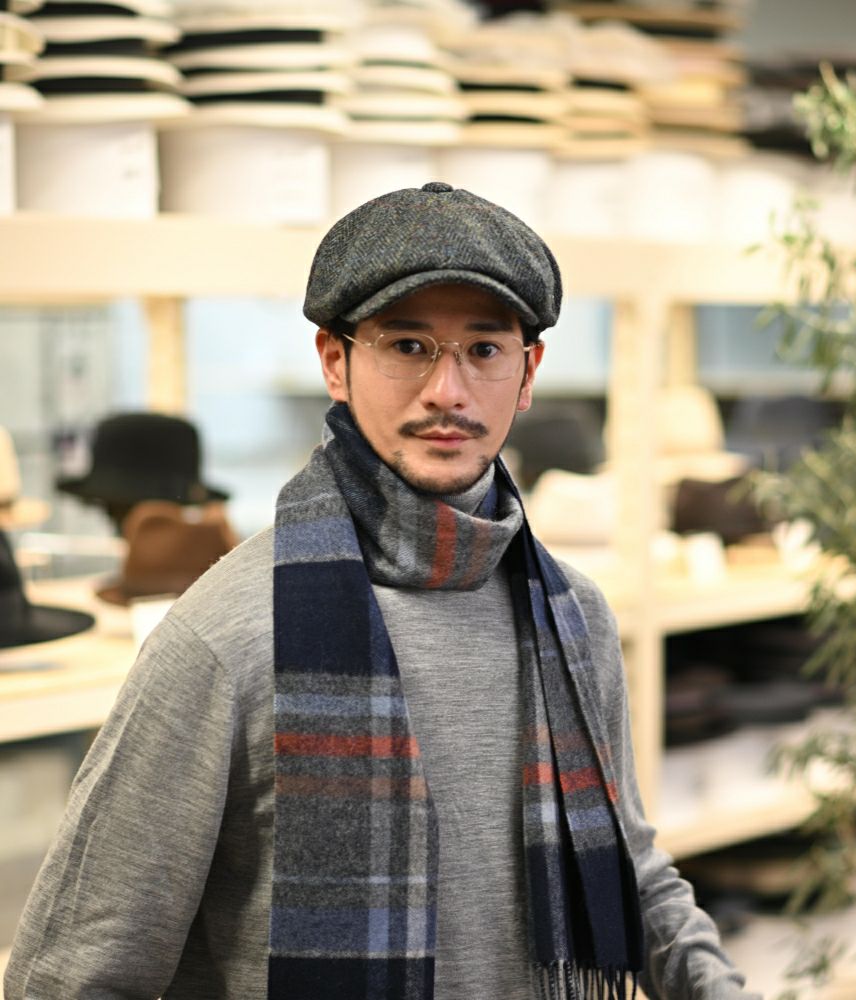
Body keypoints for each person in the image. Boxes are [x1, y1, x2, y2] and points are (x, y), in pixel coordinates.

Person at [5, 182, 760, 1000]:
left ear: (528, 372)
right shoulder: (227, 638)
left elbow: (629, 868)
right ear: (335, 361)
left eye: (484, 349)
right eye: (407, 345)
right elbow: (72, 974)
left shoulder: (572, 618)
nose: (447, 391)